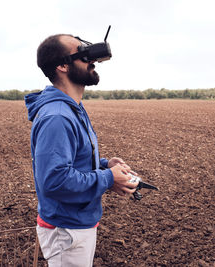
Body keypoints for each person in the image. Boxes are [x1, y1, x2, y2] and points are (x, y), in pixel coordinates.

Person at [24, 33, 138, 266]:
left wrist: (106, 165)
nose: (92, 60)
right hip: (66, 230)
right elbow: (55, 180)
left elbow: (73, 160)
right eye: (83, 54)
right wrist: (108, 179)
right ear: (62, 66)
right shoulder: (57, 116)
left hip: (76, 224)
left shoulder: (72, 108)